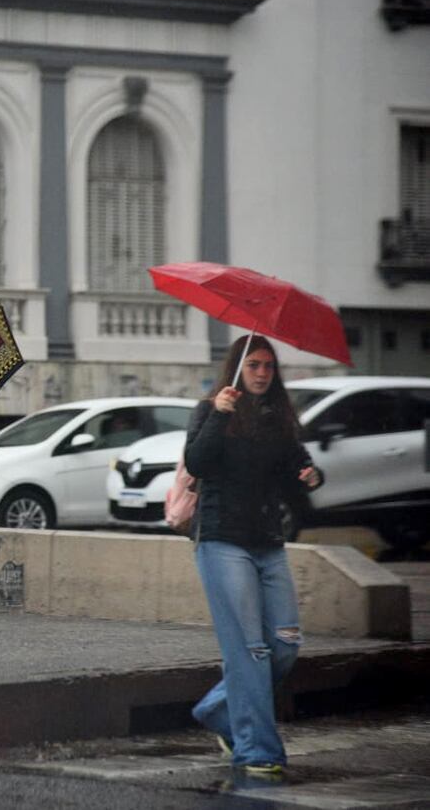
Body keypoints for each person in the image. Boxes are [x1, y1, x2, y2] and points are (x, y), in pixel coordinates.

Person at [185, 334, 323, 779]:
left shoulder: (278, 419)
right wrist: (219, 417)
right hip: (222, 542)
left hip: (268, 543)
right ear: (238, 369)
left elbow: (296, 469)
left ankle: (218, 710)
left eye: (269, 366)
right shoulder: (211, 410)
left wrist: (310, 475)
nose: (262, 373)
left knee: (284, 644)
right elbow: (197, 463)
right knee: (250, 651)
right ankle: (256, 750)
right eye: (254, 365)